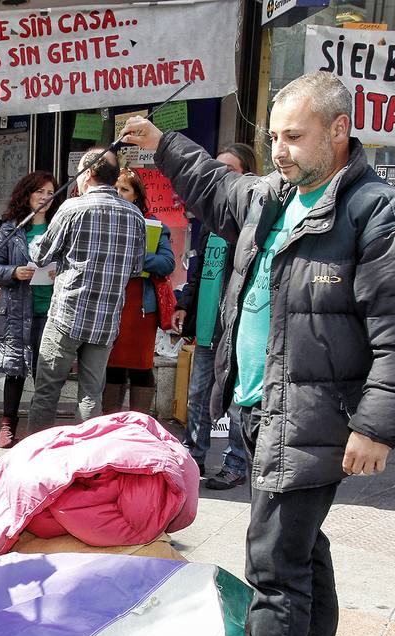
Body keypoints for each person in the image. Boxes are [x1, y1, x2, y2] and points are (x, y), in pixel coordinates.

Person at [118, 72, 395, 636]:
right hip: (257, 408)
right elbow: (218, 188)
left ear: (337, 131)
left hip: (311, 418)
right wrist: (163, 143)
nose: (279, 149)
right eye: (272, 136)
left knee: (272, 558)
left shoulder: (383, 217)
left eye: (294, 137)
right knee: (299, 540)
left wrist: (376, 428)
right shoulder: (275, 195)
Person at [27, 148, 147, 431]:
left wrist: (36, 232)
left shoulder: (72, 208)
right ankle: (86, 464)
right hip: (105, 320)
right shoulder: (135, 215)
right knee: (91, 395)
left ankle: (37, 460)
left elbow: (40, 256)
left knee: (47, 392)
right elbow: (134, 269)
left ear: (89, 174)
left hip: (67, 315)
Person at [172, 143, 257, 491]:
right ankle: (194, 455)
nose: (220, 177)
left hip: (236, 325)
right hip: (207, 324)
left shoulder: (253, 217)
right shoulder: (210, 218)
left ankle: (236, 462)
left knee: (238, 398)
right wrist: (184, 306)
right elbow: (196, 271)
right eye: (216, 168)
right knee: (197, 394)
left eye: (229, 170)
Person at [0, 171, 57, 448]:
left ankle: (40, 430)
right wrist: (15, 272)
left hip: (49, 310)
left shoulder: (57, 226)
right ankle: (7, 426)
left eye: (50, 193)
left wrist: (58, 273)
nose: (45, 198)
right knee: (14, 370)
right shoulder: (12, 228)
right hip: (17, 309)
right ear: (27, 194)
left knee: (45, 373)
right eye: (39, 191)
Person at [103, 168, 175, 417]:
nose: (118, 193)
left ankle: (139, 425)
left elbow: (167, 263)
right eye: (114, 189)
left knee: (140, 367)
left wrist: (133, 258)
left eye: (124, 189)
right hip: (110, 304)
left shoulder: (154, 224)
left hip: (141, 309)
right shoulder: (103, 219)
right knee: (111, 366)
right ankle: (110, 425)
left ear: (136, 195)